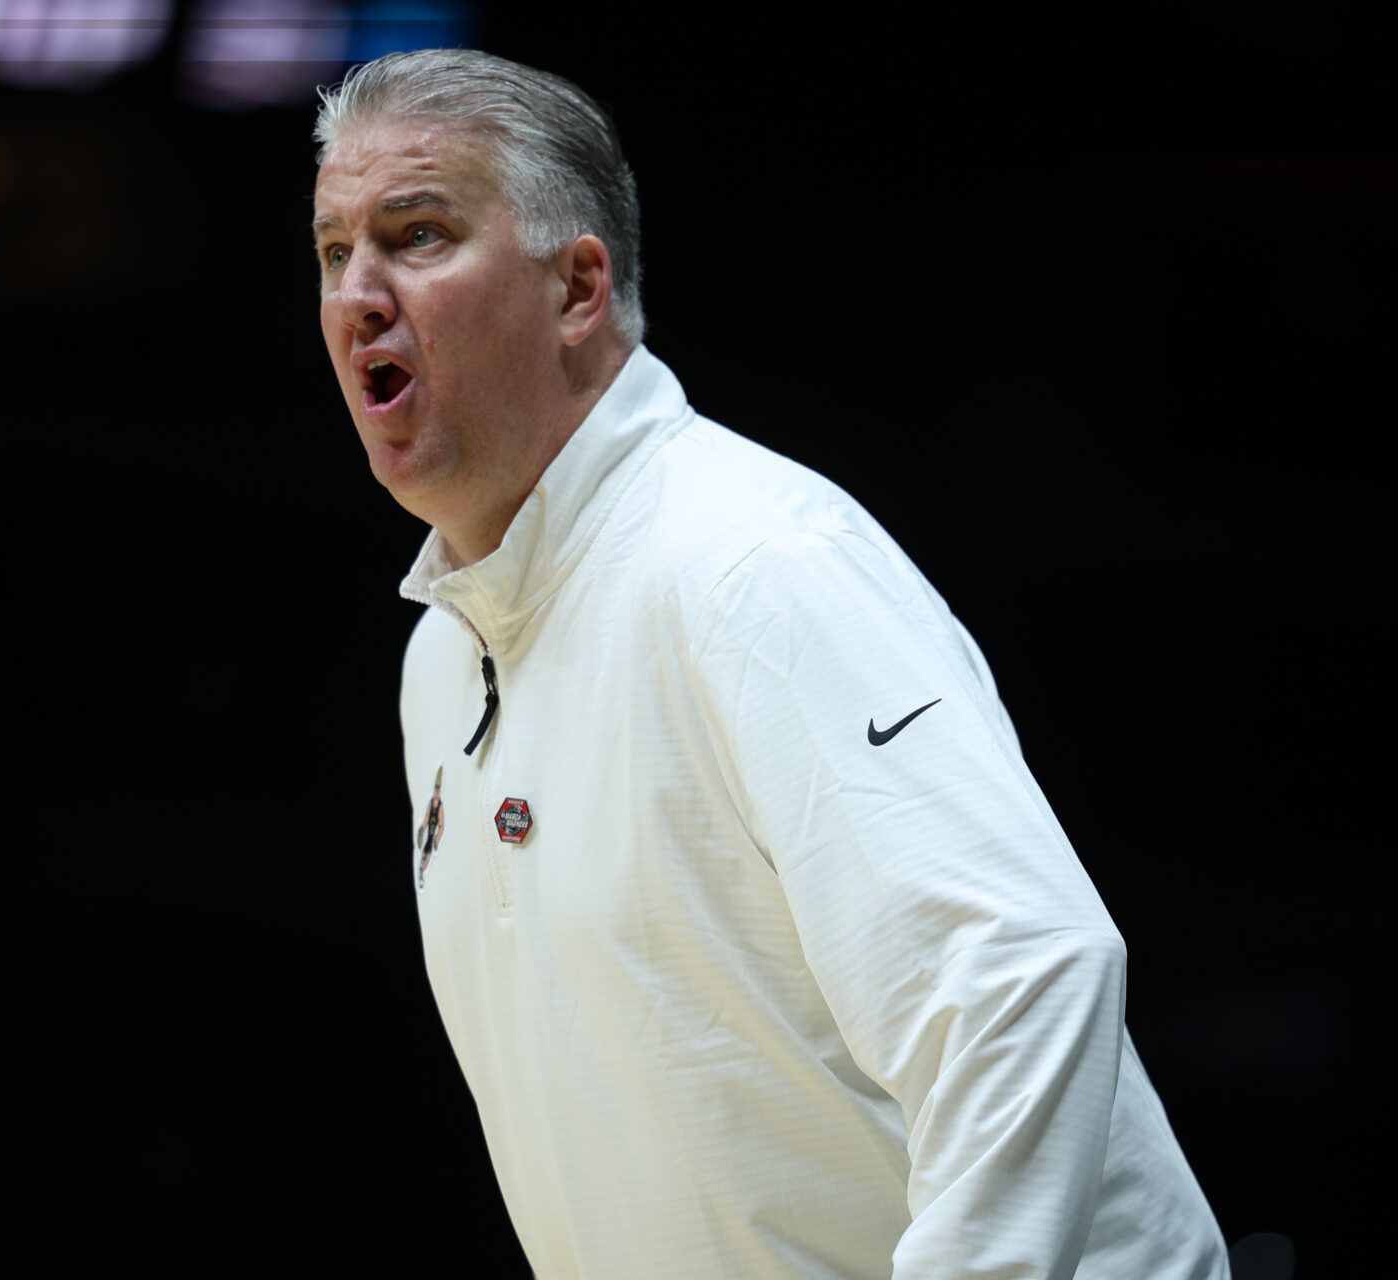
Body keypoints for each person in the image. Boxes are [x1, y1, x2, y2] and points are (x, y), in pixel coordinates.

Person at [310, 48, 1230, 1279]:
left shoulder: (749, 563)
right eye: (332, 252)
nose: (359, 292)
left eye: (416, 235)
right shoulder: (442, 658)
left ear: (579, 287)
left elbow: (1025, 978)